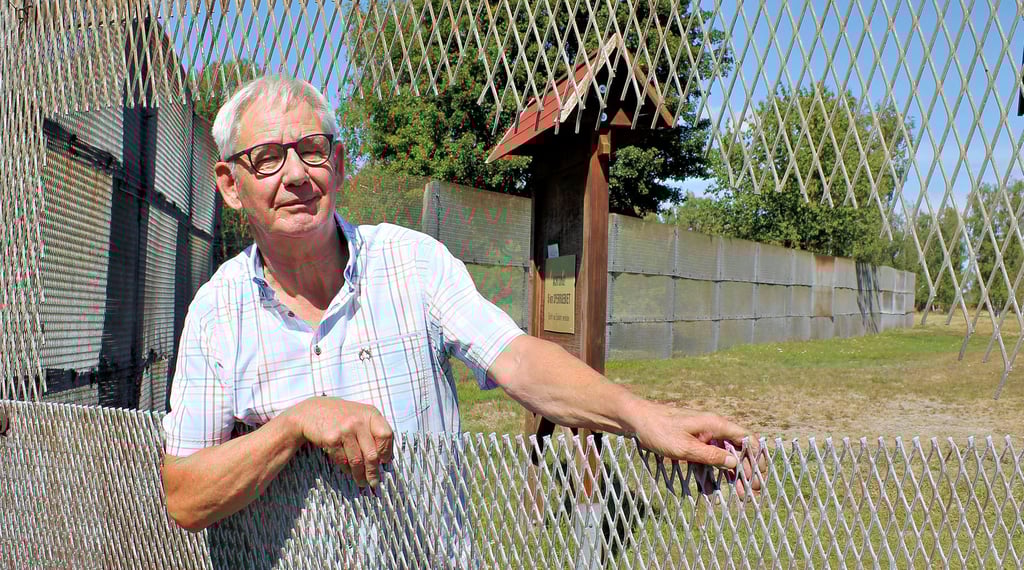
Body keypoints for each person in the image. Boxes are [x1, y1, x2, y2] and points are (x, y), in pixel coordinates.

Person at [160, 75, 762, 537]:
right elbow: (185, 496)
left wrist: (641, 416)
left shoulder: (412, 263)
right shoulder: (217, 313)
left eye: (312, 150)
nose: (295, 174)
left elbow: (517, 359)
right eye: (267, 157)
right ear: (230, 185)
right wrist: (294, 425)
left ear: (337, 165)